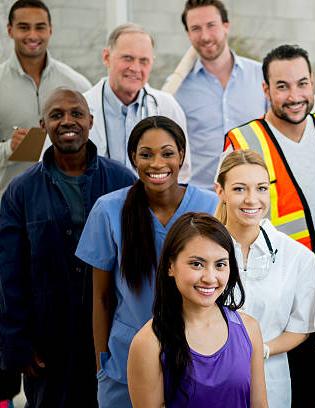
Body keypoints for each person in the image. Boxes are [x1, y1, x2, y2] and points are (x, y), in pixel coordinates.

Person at [224, 44, 315, 406]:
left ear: (313, 85)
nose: (294, 96)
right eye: (282, 86)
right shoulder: (244, 141)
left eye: (302, 84)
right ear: (265, 90)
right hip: (275, 303)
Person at [0, 88, 135, 407]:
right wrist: (17, 342)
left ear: (90, 120)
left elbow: (140, 261)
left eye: (76, 113)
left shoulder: (122, 181)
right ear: (42, 125)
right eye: (56, 115)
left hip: (113, 334)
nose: (67, 121)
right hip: (47, 342)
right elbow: (9, 273)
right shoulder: (21, 191)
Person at [76, 116, 217, 408]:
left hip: (197, 360)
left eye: (167, 153)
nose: (157, 163)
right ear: (133, 158)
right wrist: (102, 364)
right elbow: (100, 298)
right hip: (124, 365)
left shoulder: (211, 207)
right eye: (146, 154)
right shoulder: (109, 210)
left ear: (181, 156)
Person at [127, 212, 268, 408]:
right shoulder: (148, 343)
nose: (210, 277)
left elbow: (259, 405)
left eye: (220, 265)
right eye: (197, 264)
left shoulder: (249, 329)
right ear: (170, 266)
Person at [215, 150, 315, 407]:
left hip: (271, 380)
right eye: (239, 189)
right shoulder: (202, 250)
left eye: (261, 188)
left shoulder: (298, 257)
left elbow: (300, 328)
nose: (252, 200)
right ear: (220, 192)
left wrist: (260, 351)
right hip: (210, 375)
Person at [0, 0, 91, 196]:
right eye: (24, 27)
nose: (32, 35)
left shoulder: (77, 85)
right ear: (10, 30)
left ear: (50, 30)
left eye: (40, 27)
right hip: (9, 206)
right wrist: (9, 148)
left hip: (67, 204)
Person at [175, 0, 267, 190]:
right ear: (188, 34)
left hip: (255, 198)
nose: (205, 36)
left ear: (226, 26)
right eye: (196, 28)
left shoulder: (262, 76)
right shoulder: (177, 89)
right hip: (201, 200)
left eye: (211, 25)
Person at [84, 23, 191, 180]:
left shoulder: (167, 106)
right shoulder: (81, 108)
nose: (135, 68)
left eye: (143, 61)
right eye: (127, 58)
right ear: (106, 57)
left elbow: (182, 172)